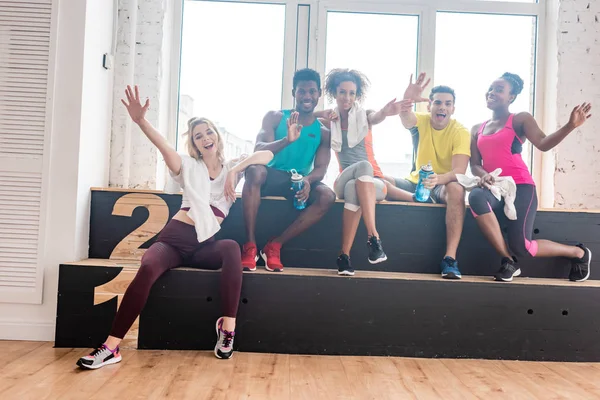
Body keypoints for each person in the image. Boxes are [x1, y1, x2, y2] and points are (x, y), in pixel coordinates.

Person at [77, 85, 274, 369]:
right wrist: (140, 121)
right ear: (194, 144)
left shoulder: (233, 167)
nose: (205, 138)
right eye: (198, 136)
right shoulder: (187, 167)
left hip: (205, 245)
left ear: (216, 136)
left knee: (231, 247)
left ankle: (227, 328)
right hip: (173, 241)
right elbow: (164, 146)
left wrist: (235, 170)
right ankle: (110, 347)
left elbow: (266, 157)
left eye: (208, 132)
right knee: (146, 267)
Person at [469, 72, 592, 282]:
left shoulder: (520, 119)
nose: (492, 92)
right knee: (476, 197)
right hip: (494, 188)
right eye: (490, 88)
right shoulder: (476, 129)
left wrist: (570, 126)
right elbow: (474, 165)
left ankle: (578, 253)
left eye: (499, 89)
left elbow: (543, 144)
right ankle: (508, 261)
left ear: (511, 97)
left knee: (523, 247)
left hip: (521, 187)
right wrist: (484, 175)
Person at [316, 68, 412, 276]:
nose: (347, 97)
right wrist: (320, 113)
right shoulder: (328, 121)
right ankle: (374, 237)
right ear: (334, 93)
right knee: (363, 167)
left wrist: (386, 111)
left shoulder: (364, 116)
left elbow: (377, 116)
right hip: (343, 179)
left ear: (357, 96)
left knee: (355, 188)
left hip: (369, 184)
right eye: (342, 92)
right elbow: (301, 118)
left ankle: (344, 257)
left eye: (352, 93)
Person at [241, 68, 335, 272]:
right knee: (254, 171)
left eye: (312, 91)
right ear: (294, 93)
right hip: (270, 177)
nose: (307, 96)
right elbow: (258, 150)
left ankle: (274, 246)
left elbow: (321, 168)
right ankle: (250, 245)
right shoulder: (274, 117)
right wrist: (286, 140)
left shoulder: (324, 132)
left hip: (298, 181)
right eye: (302, 91)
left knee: (327, 196)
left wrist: (308, 181)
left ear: (319, 94)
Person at [390, 73, 471, 280]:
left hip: (440, 185)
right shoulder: (422, 121)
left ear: (453, 109)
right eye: (437, 102)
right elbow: (406, 117)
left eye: (447, 104)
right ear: (429, 106)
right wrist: (407, 99)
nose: (442, 107)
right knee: (378, 180)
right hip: (414, 183)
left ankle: (450, 259)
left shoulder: (460, 132)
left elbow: (459, 172)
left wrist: (437, 180)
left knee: (456, 188)